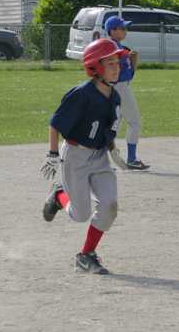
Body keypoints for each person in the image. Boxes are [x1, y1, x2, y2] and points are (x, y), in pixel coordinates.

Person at [41, 38, 125, 275]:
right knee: (80, 215)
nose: (116, 67)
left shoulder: (115, 97)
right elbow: (56, 124)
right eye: (110, 63)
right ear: (95, 68)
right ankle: (59, 196)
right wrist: (52, 154)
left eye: (117, 62)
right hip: (76, 156)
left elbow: (107, 129)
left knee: (109, 206)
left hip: (100, 158)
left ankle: (86, 255)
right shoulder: (81, 94)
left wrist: (113, 150)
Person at [104, 15, 149, 170]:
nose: (125, 31)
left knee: (113, 125)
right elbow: (117, 70)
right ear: (112, 31)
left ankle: (100, 161)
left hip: (118, 87)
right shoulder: (113, 47)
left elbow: (129, 73)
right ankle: (131, 158)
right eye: (122, 28)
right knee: (134, 122)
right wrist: (129, 57)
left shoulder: (117, 47)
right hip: (120, 88)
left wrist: (132, 60)